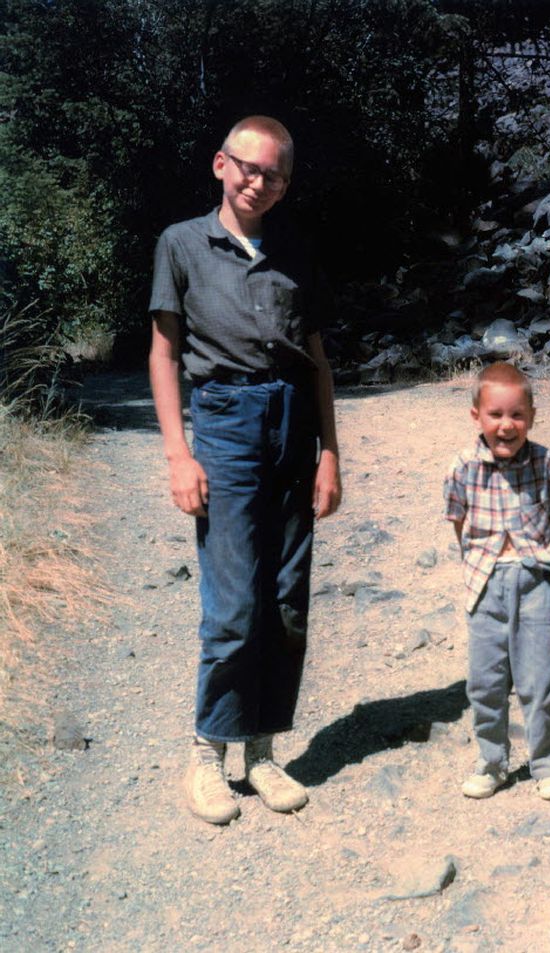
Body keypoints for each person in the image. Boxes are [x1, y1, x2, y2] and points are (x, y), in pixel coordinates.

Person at [149, 115, 342, 825]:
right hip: (224, 424)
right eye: (247, 168)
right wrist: (179, 452)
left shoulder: (296, 249)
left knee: (287, 599)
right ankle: (208, 753)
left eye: (274, 173)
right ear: (220, 165)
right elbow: (163, 355)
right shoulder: (182, 245)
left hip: (292, 423)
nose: (259, 181)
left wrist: (330, 452)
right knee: (233, 602)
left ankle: (260, 750)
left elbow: (317, 359)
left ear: (287, 184)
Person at [443, 362, 550, 801]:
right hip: (485, 584)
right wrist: (487, 561)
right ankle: (492, 761)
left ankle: (547, 763)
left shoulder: (547, 462)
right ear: (476, 416)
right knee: (486, 681)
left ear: (532, 416)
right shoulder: (462, 467)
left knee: (540, 679)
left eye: (517, 415)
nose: (506, 425)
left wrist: (531, 557)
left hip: (535, 579)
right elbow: (458, 523)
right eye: (495, 414)